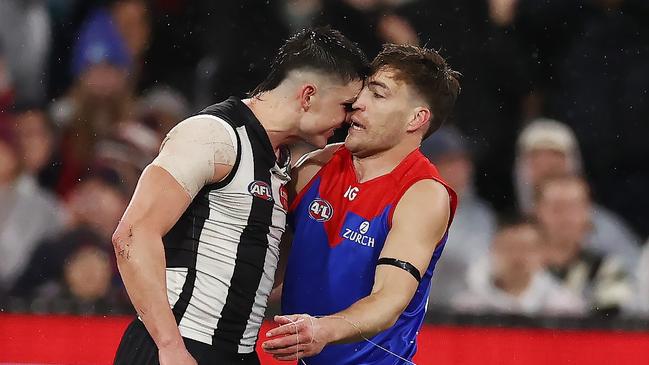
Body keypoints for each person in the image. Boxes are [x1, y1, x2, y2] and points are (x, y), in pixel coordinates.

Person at [111, 27, 368, 365]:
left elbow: (250, 267)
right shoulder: (213, 135)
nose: (348, 119)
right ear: (308, 96)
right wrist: (170, 347)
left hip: (237, 354)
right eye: (345, 106)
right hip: (179, 346)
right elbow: (132, 235)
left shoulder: (280, 163)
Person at [263, 44, 460, 364]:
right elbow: (269, 264)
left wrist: (323, 330)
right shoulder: (315, 167)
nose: (358, 103)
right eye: (364, 90)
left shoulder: (423, 195)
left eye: (378, 95)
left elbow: (388, 300)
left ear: (416, 118)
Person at [420, 126, 496, 310]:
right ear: (431, 165)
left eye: (464, 161)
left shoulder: (481, 214)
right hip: (424, 313)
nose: (463, 168)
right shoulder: (413, 208)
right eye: (451, 161)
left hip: (471, 317)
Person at [535, 175, 633, 316]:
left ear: (588, 212)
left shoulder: (607, 269)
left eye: (573, 207)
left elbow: (608, 328)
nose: (565, 217)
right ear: (537, 211)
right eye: (556, 207)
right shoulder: (512, 264)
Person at [452, 219, 585, 316]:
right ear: (493, 250)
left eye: (527, 248)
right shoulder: (468, 307)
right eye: (509, 248)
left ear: (544, 253)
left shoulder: (565, 307)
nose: (517, 256)